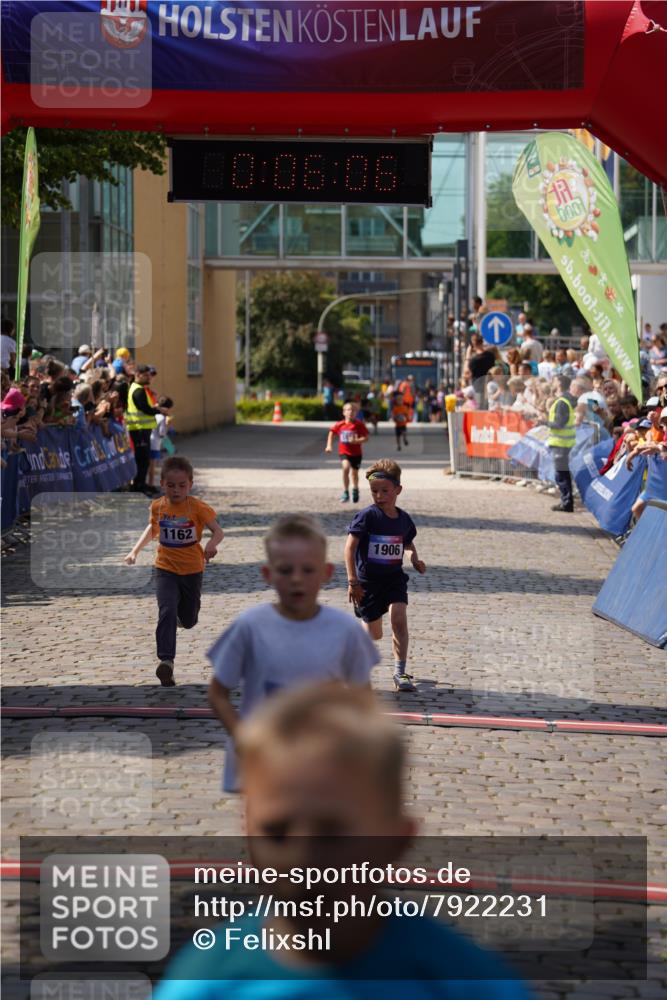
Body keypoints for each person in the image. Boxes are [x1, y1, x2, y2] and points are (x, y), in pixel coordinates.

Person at [153, 684, 534, 999]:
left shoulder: (465, 982)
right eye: (277, 831)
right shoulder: (203, 982)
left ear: (397, 843)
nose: (302, 860)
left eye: (333, 833)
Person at [207, 514, 379, 792]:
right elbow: (217, 693)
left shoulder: (346, 631)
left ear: (326, 573)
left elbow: (363, 698)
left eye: (308, 570)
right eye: (286, 570)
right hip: (261, 768)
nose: (297, 579)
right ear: (268, 574)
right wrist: (244, 738)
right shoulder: (249, 626)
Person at [124, 455, 223, 687]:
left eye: (181, 486)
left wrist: (211, 544)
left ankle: (181, 619)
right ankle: (166, 661)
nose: (176, 490)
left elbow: (218, 531)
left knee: (189, 620)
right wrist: (134, 551)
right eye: (171, 485)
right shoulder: (158, 506)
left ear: (190, 484)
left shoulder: (197, 507)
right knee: (166, 609)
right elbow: (152, 529)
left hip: (192, 570)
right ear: (162, 485)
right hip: (165, 568)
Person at [345, 459, 426, 693]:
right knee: (374, 634)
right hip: (368, 583)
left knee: (399, 618)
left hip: (393, 578)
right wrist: (353, 581)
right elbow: (349, 548)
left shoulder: (403, 519)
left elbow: (407, 541)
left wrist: (414, 558)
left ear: (398, 490)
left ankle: (400, 672)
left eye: (384, 491)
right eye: (374, 491)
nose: (379, 496)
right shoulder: (366, 517)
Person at [125, 364, 169, 495]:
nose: (149, 377)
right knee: (142, 459)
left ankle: (141, 484)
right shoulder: (138, 390)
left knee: (144, 458)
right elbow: (145, 409)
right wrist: (159, 410)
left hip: (142, 429)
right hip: (139, 429)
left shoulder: (139, 388)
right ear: (138, 375)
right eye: (146, 375)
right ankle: (139, 485)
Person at [325, 400, 369, 504]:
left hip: (357, 453)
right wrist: (329, 446)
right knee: (345, 468)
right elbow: (331, 433)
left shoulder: (359, 425)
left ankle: (355, 489)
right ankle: (345, 492)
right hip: (344, 452)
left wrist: (357, 441)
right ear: (344, 412)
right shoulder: (340, 424)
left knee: (354, 474)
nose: (351, 412)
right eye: (348, 410)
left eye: (353, 410)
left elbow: (366, 438)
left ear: (356, 413)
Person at [546, 374, 577, 513]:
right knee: (563, 474)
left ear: (558, 383)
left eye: (553, 381)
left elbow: (559, 424)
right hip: (562, 443)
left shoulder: (561, 402)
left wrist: (543, 422)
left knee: (561, 475)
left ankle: (567, 502)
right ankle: (566, 501)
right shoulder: (564, 401)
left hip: (561, 444)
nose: (551, 383)